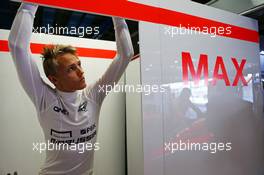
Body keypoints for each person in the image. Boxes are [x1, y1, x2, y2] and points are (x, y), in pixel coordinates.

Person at [8, 3, 134, 175]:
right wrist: (30, 5)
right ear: (54, 79)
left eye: (79, 64)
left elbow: (126, 55)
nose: (81, 72)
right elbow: (17, 47)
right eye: (71, 69)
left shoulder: (94, 95)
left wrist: (116, 13)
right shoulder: (45, 98)